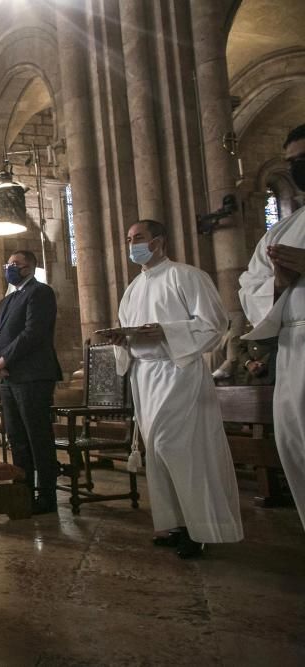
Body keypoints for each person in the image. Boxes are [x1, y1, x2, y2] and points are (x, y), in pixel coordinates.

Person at [109, 220, 243, 557]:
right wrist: (119, 340)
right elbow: (129, 330)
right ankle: (174, 524)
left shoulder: (187, 276)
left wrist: (166, 332)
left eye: (138, 238)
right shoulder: (133, 288)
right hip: (145, 376)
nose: (132, 244)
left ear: (158, 241)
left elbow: (214, 323)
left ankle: (200, 529)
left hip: (178, 370)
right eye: (128, 239)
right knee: (156, 452)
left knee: (178, 448)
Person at [239, 123, 305, 531]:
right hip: (294, 353)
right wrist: (279, 282)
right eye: (294, 162)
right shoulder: (281, 229)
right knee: (297, 450)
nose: (299, 168)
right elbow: (249, 286)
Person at [0, 250, 62, 515]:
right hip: (8, 378)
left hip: (33, 376)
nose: (10, 267)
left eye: (16, 264)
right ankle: (24, 492)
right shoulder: (7, 300)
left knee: (37, 436)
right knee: (16, 437)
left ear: (30, 267)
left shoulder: (41, 293)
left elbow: (33, 333)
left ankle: (47, 497)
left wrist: (5, 360)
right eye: (8, 263)